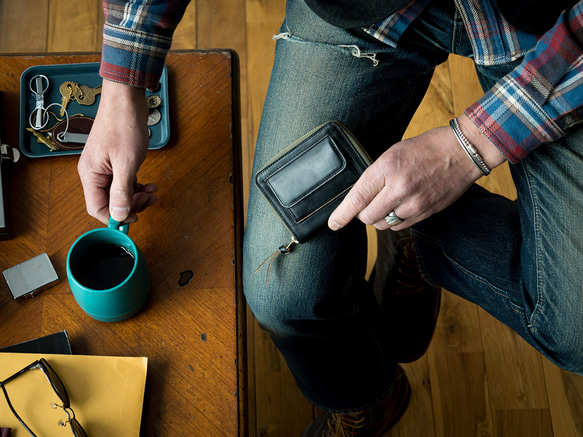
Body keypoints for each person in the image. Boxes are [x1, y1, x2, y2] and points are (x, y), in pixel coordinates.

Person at [79, 0, 583, 435]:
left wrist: (468, 148)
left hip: (556, 38)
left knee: (576, 333)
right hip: (361, 15)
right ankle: (370, 398)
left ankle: (410, 219)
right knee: (282, 290)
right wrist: (122, 87)